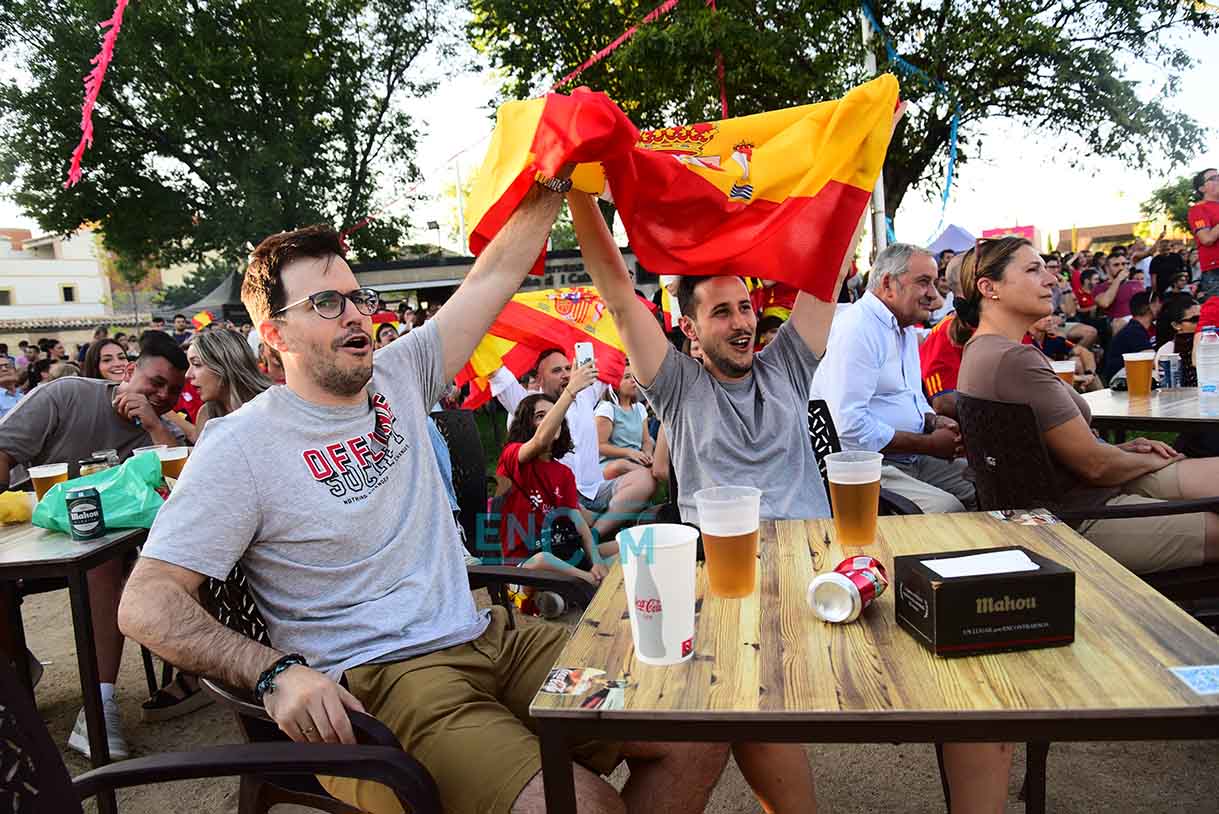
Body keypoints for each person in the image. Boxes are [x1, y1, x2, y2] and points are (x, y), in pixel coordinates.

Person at [118, 187, 728, 814]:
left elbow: (494, 273)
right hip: (381, 683)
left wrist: (553, 178)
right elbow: (145, 602)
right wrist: (272, 671)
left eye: (358, 297)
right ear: (274, 333)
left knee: (698, 716)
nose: (355, 315)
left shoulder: (399, 372)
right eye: (326, 303)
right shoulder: (241, 444)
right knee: (585, 805)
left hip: (486, 638)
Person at [570, 174, 1012, 810]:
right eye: (721, 312)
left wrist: (860, 157)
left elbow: (826, 268)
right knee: (752, 700)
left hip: (821, 560)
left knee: (964, 666)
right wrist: (580, 194)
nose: (741, 322)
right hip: (732, 580)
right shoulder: (678, 386)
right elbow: (617, 295)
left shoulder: (787, 364)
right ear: (688, 329)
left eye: (745, 307)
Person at [956, 236, 1219, 575]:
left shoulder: (983, 350)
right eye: (1034, 270)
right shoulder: (1013, 359)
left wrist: (1124, 451)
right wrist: (1147, 459)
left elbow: (1056, 455)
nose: (1052, 279)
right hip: (1077, 517)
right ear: (989, 287)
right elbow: (1096, 466)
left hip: (1071, 497)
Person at [0, 331, 187, 759]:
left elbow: (183, 486)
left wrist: (154, 425)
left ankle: (98, 707)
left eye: (173, 391)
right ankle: (15, 668)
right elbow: (4, 450)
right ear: (129, 371)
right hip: (29, 534)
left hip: (100, 550)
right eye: (155, 383)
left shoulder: (162, 432)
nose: (162, 396)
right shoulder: (68, 396)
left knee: (103, 556)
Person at [815, 243, 975, 514]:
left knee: (985, 483)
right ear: (888, 284)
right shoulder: (857, 329)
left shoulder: (904, 327)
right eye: (923, 282)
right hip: (865, 466)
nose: (934, 295)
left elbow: (910, 398)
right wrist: (929, 444)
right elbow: (849, 426)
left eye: (934, 282)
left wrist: (933, 420)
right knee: (947, 509)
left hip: (910, 457)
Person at [490, 347, 656, 543]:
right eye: (556, 371)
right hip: (558, 496)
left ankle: (595, 534)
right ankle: (593, 531)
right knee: (572, 511)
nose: (565, 375)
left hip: (594, 489)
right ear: (539, 379)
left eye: (568, 368)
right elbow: (498, 375)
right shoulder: (527, 404)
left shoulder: (585, 394)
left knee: (645, 480)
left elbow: (611, 356)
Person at [496, 387, 607, 614]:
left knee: (623, 547)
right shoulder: (512, 456)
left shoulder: (564, 473)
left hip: (563, 555)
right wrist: (571, 391)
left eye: (555, 414)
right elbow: (538, 442)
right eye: (541, 416)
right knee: (542, 560)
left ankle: (557, 597)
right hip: (525, 564)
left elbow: (577, 521)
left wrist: (596, 560)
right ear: (526, 424)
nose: (551, 420)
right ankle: (584, 584)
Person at [170, 328, 271, 444]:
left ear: (225, 365)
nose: (188, 375)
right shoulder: (206, 414)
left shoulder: (271, 405)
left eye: (197, 364)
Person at [595, 363, 654, 479]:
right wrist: (629, 452)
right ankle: (648, 473)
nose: (633, 381)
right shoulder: (607, 408)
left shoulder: (640, 408)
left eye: (634, 376)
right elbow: (599, 446)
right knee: (621, 465)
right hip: (611, 465)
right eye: (627, 377)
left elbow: (646, 441)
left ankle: (648, 473)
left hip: (636, 460)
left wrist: (648, 454)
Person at [1101, 291, 1156, 382]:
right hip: (1119, 379)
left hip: (1130, 374)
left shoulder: (1144, 327)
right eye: (1156, 302)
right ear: (1148, 307)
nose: (1160, 305)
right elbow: (1151, 359)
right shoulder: (1134, 330)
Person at [1189, 168, 1219, 301]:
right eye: (1214, 178)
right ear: (1202, 188)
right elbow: (1206, 239)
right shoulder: (1198, 209)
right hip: (1216, 270)